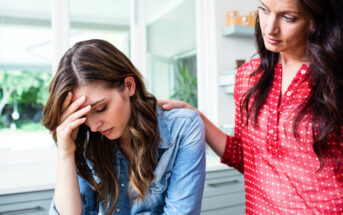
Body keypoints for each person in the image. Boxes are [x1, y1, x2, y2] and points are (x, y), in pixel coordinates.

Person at [160, 0, 343, 213]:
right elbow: (244, 157)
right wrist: (196, 117)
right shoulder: (248, 76)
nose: (269, 28)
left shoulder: (335, 80)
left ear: (317, 20)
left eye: (288, 17)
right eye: (264, 10)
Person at [43, 39, 206, 215]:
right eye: (83, 117)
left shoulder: (183, 128)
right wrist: (66, 153)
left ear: (129, 86)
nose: (94, 126)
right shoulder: (85, 135)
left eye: (101, 108)